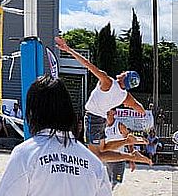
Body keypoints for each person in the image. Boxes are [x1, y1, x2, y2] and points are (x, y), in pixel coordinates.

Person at [55, 37, 151, 165]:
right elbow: (139, 108)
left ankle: (131, 156)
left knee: (97, 155)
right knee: (103, 148)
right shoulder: (125, 96)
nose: (122, 72)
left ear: (125, 77)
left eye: (125, 73)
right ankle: (127, 142)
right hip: (101, 120)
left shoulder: (108, 82)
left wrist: (68, 49)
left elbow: (88, 65)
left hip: (93, 118)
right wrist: (144, 113)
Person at [103, 108, 135, 188]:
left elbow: (129, 141)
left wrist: (132, 159)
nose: (106, 111)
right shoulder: (104, 126)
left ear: (114, 112)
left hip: (119, 160)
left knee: (116, 184)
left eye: (109, 109)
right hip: (108, 161)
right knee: (108, 185)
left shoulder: (119, 126)